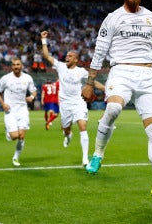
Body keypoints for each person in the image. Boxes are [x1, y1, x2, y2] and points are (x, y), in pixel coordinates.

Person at [81, 0, 152, 207]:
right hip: (121, 72)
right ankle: (98, 154)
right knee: (113, 108)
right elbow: (100, 50)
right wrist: (90, 81)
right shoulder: (113, 18)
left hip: (147, 76)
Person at [41, 30, 105, 167]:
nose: (67, 57)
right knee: (66, 128)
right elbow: (46, 56)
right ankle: (68, 135)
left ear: (76, 59)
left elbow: (92, 81)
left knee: (83, 126)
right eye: (67, 55)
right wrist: (43, 40)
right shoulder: (60, 66)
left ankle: (85, 159)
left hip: (78, 102)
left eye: (70, 56)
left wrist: (105, 89)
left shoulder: (81, 71)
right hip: (64, 104)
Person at [0, 58, 37, 167]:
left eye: (18, 64)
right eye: (14, 65)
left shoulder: (27, 78)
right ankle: (8, 131)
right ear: (11, 66)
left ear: (21, 66)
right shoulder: (6, 78)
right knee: (14, 136)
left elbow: (34, 91)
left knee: (21, 136)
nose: (16, 66)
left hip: (22, 109)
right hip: (10, 110)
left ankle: (16, 157)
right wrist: (3, 104)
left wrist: (32, 97)